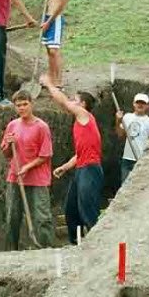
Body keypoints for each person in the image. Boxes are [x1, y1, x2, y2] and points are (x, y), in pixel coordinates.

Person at [40, 74, 103, 245]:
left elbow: (63, 102)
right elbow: (79, 154)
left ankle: (97, 244)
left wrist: (49, 85)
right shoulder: (81, 124)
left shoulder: (85, 116)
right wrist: (65, 167)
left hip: (90, 169)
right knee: (71, 210)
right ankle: (76, 244)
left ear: (82, 105)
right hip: (82, 168)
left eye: (75, 100)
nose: (71, 102)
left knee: (87, 209)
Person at [0, 90, 55, 249]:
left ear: (31, 104)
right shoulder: (12, 125)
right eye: (18, 105)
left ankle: (45, 249)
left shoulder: (41, 127)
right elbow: (6, 153)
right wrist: (9, 144)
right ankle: (11, 251)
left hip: (37, 179)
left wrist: (27, 167)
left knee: (41, 218)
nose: (22, 108)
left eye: (25, 104)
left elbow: (45, 155)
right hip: (15, 178)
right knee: (12, 217)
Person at [40, 0, 72, 88]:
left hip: (56, 18)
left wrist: (49, 22)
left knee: (54, 50)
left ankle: (59, 81)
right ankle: (51, 78)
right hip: (47, 15)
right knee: (48, 50)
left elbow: (61, 4)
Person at [115, 92, 149, 183]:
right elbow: (120, 134)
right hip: (127, 159)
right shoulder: (127, 117)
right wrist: (118, 121)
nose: (140, 105)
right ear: (134, 104)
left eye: (143, 103)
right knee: (125, 185)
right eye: (138, 102)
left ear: (147, 106)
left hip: (141, 160)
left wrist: (148, 157)